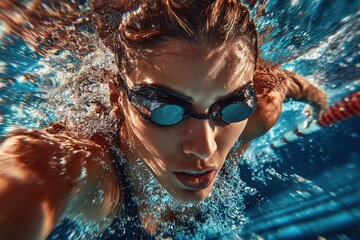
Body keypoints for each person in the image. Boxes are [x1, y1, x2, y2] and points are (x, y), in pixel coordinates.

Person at [0, 0, 327, 239]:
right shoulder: (96, 173)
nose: (203, 146)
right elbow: (36, 168)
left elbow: (278, 82)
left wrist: (318, 99)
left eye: (232, 107)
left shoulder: (259, 113)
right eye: (164, 108)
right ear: (118, 98)